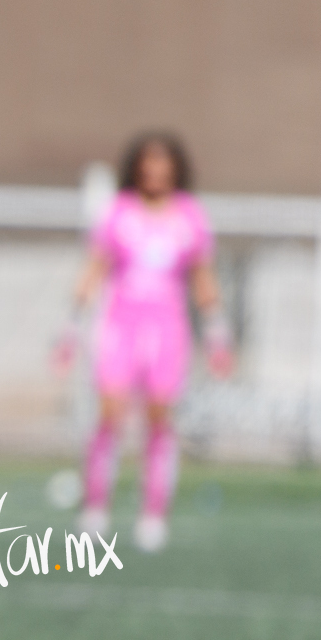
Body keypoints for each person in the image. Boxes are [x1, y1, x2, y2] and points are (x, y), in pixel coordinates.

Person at [57, 132, 231, 553]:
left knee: (160, 417)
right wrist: (70, 330)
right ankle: (96, 505)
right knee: (111, 413)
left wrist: (217, 335)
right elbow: (94, 271)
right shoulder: (119, 212)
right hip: (121, 325)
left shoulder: (189, 216)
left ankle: (154, 513)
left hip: (167, 329)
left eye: (163, 163)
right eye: (147, 163)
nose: (154, 171)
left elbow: (203, 279)